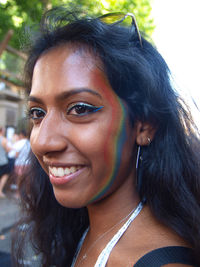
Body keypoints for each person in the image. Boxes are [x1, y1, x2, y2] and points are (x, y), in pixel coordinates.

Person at [12, 7, 200, 267]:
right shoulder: (77, 227)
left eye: (80, 109)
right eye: (37, 112)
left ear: (144, 126)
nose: (43, 142)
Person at [0, 127, 11, 198]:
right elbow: (8, 150)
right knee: (5, 175)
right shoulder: (4, 139)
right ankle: (0, 191)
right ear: (2, 131)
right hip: (2, 161)